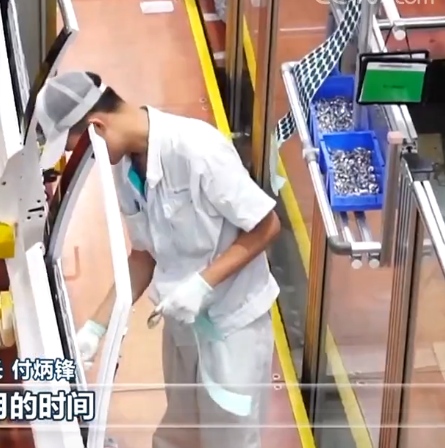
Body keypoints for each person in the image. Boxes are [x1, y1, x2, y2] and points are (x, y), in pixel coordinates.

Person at [35, 72, 282, 448]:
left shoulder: (198, 150)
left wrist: (203, 284)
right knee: (179, 433)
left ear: (97, 127)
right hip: (183, 324)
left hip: (232, 331)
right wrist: (96, 328)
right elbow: (144, 256)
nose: (85, 160)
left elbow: (266, 226)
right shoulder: (124, 168)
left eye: (81, 150)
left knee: (229, 438)